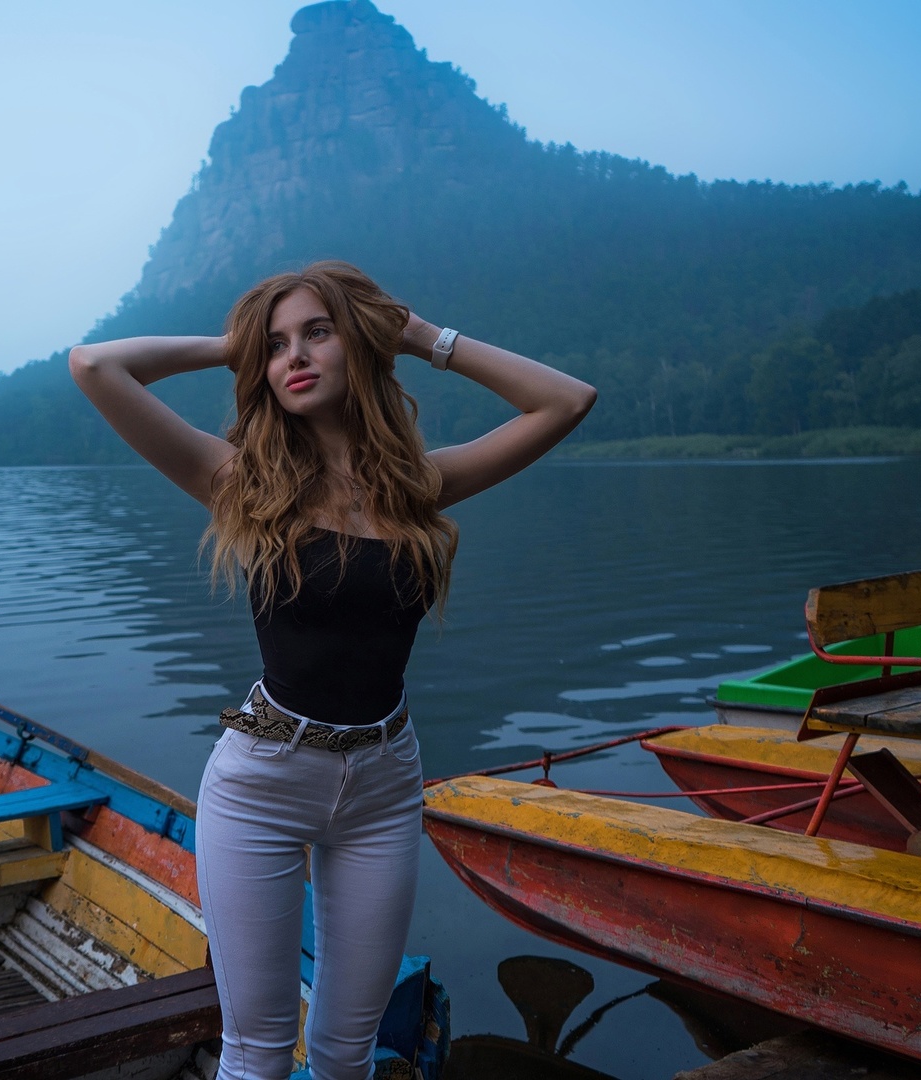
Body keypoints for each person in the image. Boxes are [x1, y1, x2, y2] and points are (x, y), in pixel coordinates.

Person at [68, 261, 595, 1080]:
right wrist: (231, 345)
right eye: (277, 347)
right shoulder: (241, 483)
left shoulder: (420, 487)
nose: (294, 356)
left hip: (385, 781)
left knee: (349, 1052)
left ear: (358, 344)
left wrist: (421, 338)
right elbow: (96, 366)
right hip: (262, 784)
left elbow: (567, 400)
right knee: (258, 1052)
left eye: (317, 331)